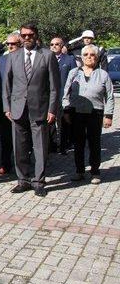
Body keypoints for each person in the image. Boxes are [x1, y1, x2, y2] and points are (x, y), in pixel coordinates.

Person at [4, 23, 60, 197]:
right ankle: (23, 180)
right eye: (23, 35)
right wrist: (6, 107)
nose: (26, 38)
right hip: (17, 108)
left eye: (30, 35)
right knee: (19, 146)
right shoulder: (13, 56)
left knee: (40, 147)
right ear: (20, 36)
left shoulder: (47, 55)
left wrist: (52, 109)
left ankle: (39, 181)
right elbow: (7, 83)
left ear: (36, 35)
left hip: (40, 108)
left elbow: (54, 87)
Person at [62, 45, 114, 184]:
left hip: (95, 113)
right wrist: (66, 110)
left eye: (92, 55)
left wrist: (108, 115)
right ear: (82, 57)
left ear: (97, 58)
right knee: (78, 143)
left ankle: (95, 172)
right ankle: (79, 171)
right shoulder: (74, 72)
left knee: (94, 143)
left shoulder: (103, 74)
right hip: (76, 113)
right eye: (86, 54)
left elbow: (109, 96)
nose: (89, 57)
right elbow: (66, 93)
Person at [0, 33, 21, 175]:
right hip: (5, 105)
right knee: (6, 137)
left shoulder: (25, 58)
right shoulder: (1, 60)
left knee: (23, 138)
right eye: (8, 44)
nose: (10, 46)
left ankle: (23, 165)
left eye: (13, 44)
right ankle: (6, 164)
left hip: (23, 104)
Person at [50, 37, 77, 155]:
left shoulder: (69, 60)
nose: (54, 46)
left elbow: (75, 79)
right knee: (49, 123)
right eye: (51, 44)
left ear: (61, 46)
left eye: (57, 44)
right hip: (50, 97)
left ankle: (63, 146)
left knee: (63, 123)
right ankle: (51, 146)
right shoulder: (46, 59)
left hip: (64, 96)